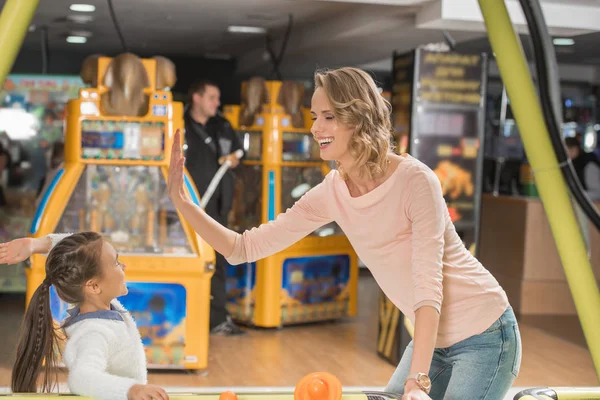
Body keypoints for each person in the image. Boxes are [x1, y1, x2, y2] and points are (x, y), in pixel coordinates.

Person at [167, 67, 521, 399]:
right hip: (433, 340)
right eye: (314, 118)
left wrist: (417, 379)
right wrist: (184, 204)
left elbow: (428, 285)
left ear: (360, 118)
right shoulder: (331, 192)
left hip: (485, 333)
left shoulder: (415, 180)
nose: (315, 128)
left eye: (328, 117)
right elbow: (243, 248)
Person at [0, 232, 169, 400]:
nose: (124, 265)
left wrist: (34, 245)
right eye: (116, 263)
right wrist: (132, 390)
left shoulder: (96, 303)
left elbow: (78, 248)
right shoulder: (93, 332)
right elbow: (81, 378)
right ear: (94, 286)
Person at [184, 79, 246, 336]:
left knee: (217, 260)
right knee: (188, 259)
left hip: (217, 208)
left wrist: (234, 159)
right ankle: (187, 321)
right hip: (188, 206)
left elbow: (240, 152)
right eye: (212, 97)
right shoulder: (180, 126)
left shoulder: (222, 126)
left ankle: (217, 319)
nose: (217, 103)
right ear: (197, 98)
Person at [565, 136, 600, 200]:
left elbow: (597, 193)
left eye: (567, 150)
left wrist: (574, 195)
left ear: (575, 149)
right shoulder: (572, 164)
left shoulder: (589, 166)